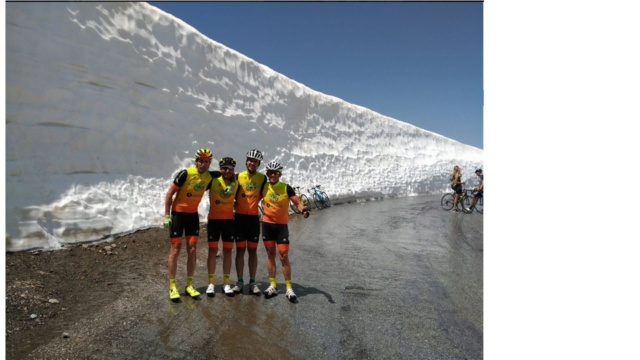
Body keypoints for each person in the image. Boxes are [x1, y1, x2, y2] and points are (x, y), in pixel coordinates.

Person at [164, 148, 213, 301]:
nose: (203, 164)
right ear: (196, 161)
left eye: (206, 162)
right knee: (175, 249)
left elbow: (225, 180)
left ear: (209, 163)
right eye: (201, 161)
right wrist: (167, 215)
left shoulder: (209, 178)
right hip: (178, 215)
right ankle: (172, 286)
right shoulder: (185, 173)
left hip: (192, 216)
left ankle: (189, 285)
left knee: (192, 249)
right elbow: (169, 194)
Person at [261, 160, 309, 301]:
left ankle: (288, 287)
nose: (272, 175)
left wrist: (303, 211)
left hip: (281, 226)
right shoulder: (264, 187)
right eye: (270, 172)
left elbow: (297, 203)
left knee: (283, 255)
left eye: (275, 172)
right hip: (267, 225)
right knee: (270, 254)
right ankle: (273, 285)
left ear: (279, 174)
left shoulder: (286, 188)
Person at [231, 149, 267, 296]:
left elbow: (268, 195)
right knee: (240, 250)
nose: (252, 163)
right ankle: (240, 281)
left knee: (252, 250)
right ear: (246, 161)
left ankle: (252, 282)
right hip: (239, 219)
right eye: (250, 160)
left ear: (258, 164)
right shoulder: (237, 177)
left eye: (255, 161)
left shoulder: (262, 178)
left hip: (253, 219)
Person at [205, 157, 239, 297]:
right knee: (213, 251)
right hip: (214, 221)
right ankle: (211, 283)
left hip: (229, 222)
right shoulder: (212, 179)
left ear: (233, 170)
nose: (227, 171)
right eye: (224, 168)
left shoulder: (237, 182)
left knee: (227, 252)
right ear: (220, 169)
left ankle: (226, 283)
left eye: (230, 169)